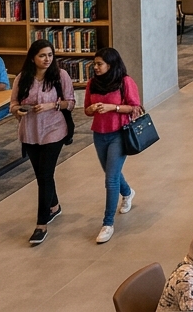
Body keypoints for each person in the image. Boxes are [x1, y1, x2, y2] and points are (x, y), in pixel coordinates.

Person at [9, 39, 76, 246]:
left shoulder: (60, 76)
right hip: (29, 132)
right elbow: (13, 104)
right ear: (32, 58)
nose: (47, 59)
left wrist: (51, 106)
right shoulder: (23, 78)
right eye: (42, 55)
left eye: (50, 55)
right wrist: (17, 110)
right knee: (41, 173)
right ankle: (54, 205)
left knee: (45, 176)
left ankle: (41, 224)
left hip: (53, 130)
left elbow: (71, 103)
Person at [83, 47, 139, 244]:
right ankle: (128, 192)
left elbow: (135, 106)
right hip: (99, 134)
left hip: (119, 133)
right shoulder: (92, 83)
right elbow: (87, 110)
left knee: (110, 179)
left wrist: (112, 108)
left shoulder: (124, 81)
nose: (95, 67)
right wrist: (91, 109)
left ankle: (107, 223)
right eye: (95, 64)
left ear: (111, 65)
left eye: (100, 64)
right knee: (110, 171)